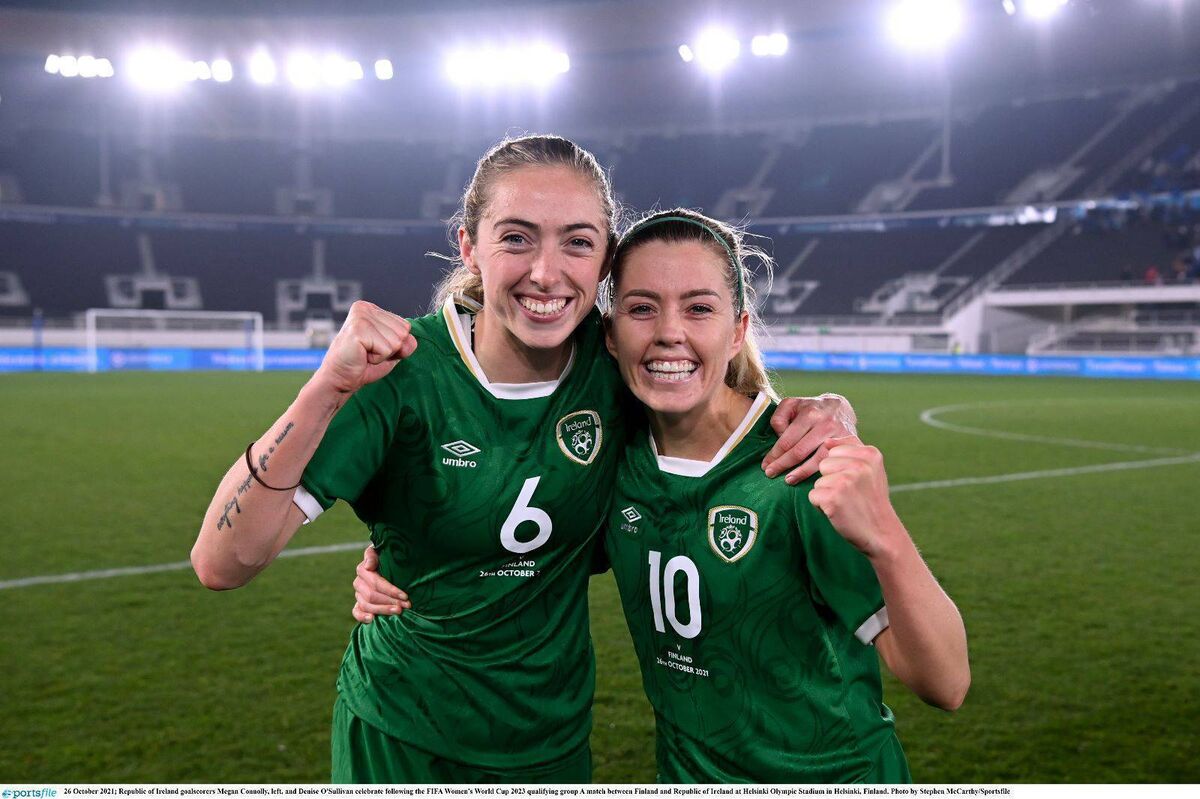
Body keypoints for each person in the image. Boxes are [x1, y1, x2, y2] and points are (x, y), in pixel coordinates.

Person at [191, 136, 858, 784]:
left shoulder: (618, 367)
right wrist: (324, 390)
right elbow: (221, 562)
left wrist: (829, 410)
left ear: (603, 262)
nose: (546, 271)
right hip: (402, 736)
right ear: (469, 247)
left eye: (576, 241)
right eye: (515, 237)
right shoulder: (399, 375)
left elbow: (722, 408)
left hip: (549, 743)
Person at [356, 207, 971, 784]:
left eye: (699, 309)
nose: (670, 333)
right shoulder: (611, 460)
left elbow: (945, 682)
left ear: (737, 331)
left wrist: (886, 536)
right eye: (642, 308)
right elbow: (523, 547)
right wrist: (398, 566)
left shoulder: (800, 467)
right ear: (612, 333)